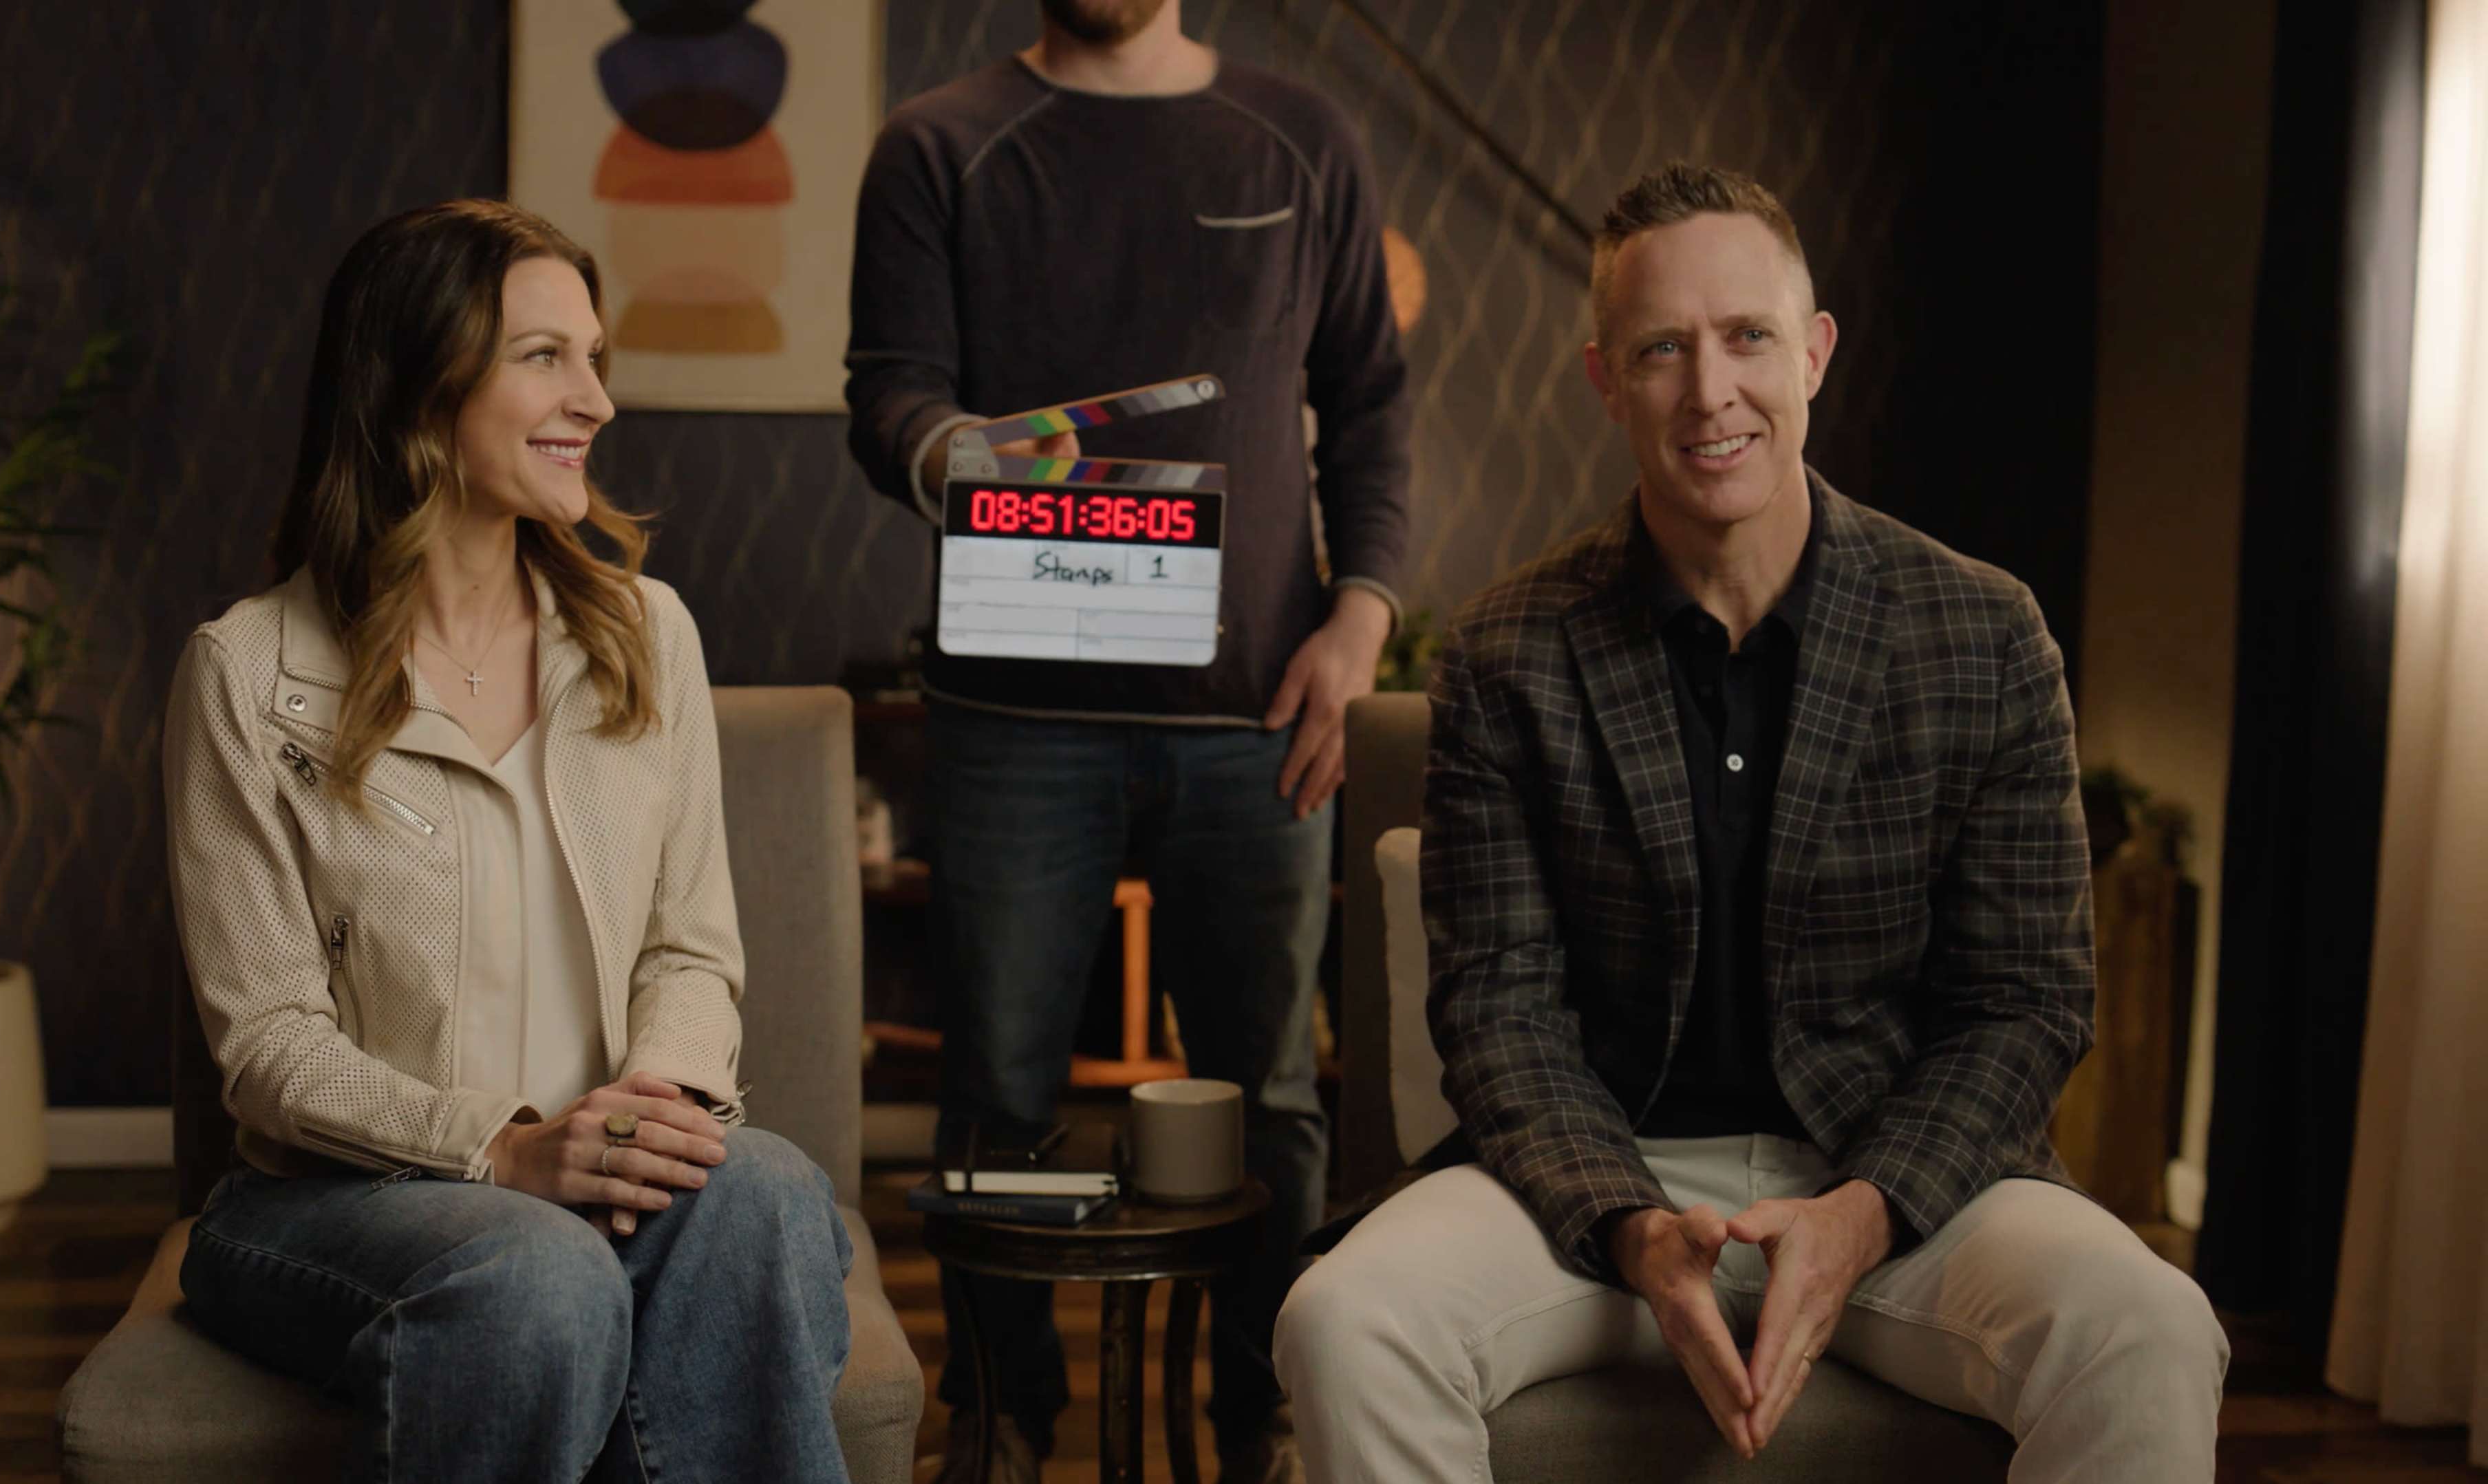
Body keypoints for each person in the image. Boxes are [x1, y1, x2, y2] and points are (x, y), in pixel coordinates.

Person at [1272, 164, 2229, 1481]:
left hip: (1892, 1180)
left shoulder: (1986, 633)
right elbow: (1497, 1009)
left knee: (2152, 1328)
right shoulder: (1504, 651)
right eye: (1663, 347)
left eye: (1748, 337)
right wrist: (1625, 1220)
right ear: (1606, 377)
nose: (1710, 390)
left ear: (1816, 353)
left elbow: (2023, 1000)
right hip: (1595, 1183)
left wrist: (1865, 1212)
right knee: (1342, 1321)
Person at [161, 200, 853, 1482]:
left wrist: (656, 1111)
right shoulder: (248, 671)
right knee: (537, 1273)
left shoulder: (649, 636)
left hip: (608, 1174)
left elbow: (690, 950)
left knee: (759, 1191)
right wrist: (507, 1150)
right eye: (545, 357)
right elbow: (266, 1049)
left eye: (596, 358)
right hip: (339, 1204)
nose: (594, 399)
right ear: (419, 383)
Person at [844, 0, 1411, 1477]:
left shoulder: (1305, 138)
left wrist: (1361, 620)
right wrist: (946, 452)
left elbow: (1366, 402)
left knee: (1269, 1093)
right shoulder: (939, 146)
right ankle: (1006, 1415)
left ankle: (1261, 1416)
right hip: (1012, 717)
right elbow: (888, 387)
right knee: (998, 1089)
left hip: (1257, 713)